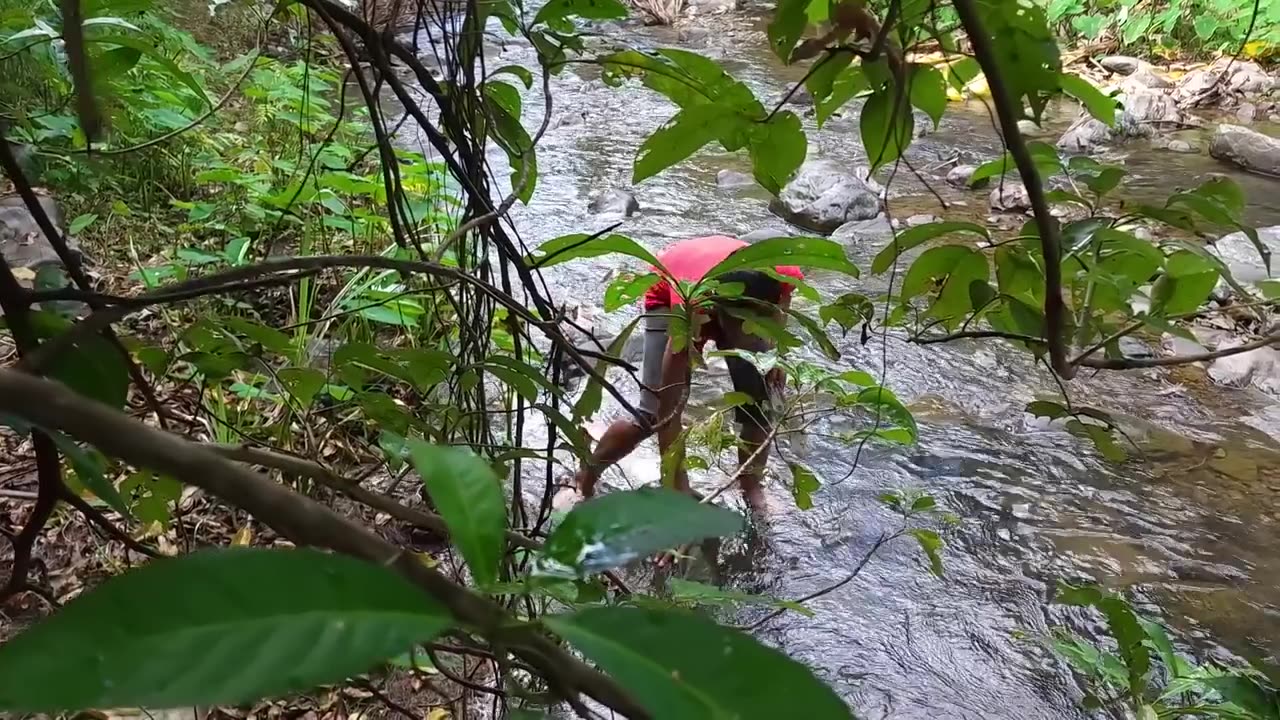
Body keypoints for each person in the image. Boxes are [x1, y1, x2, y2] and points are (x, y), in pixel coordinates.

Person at [572, 235, 804, 512]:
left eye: (760, 326)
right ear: (718, 316)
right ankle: (585, 477)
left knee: (761, 400)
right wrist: (677, 495)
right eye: (744, 328)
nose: (752, 336)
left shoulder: (780, 274)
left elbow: (784, 300)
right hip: (671, 281)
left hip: (725, 274)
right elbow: (668, 416)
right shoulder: (688, 313)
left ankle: (750, 485)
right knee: (651, 415)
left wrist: (776, 353)